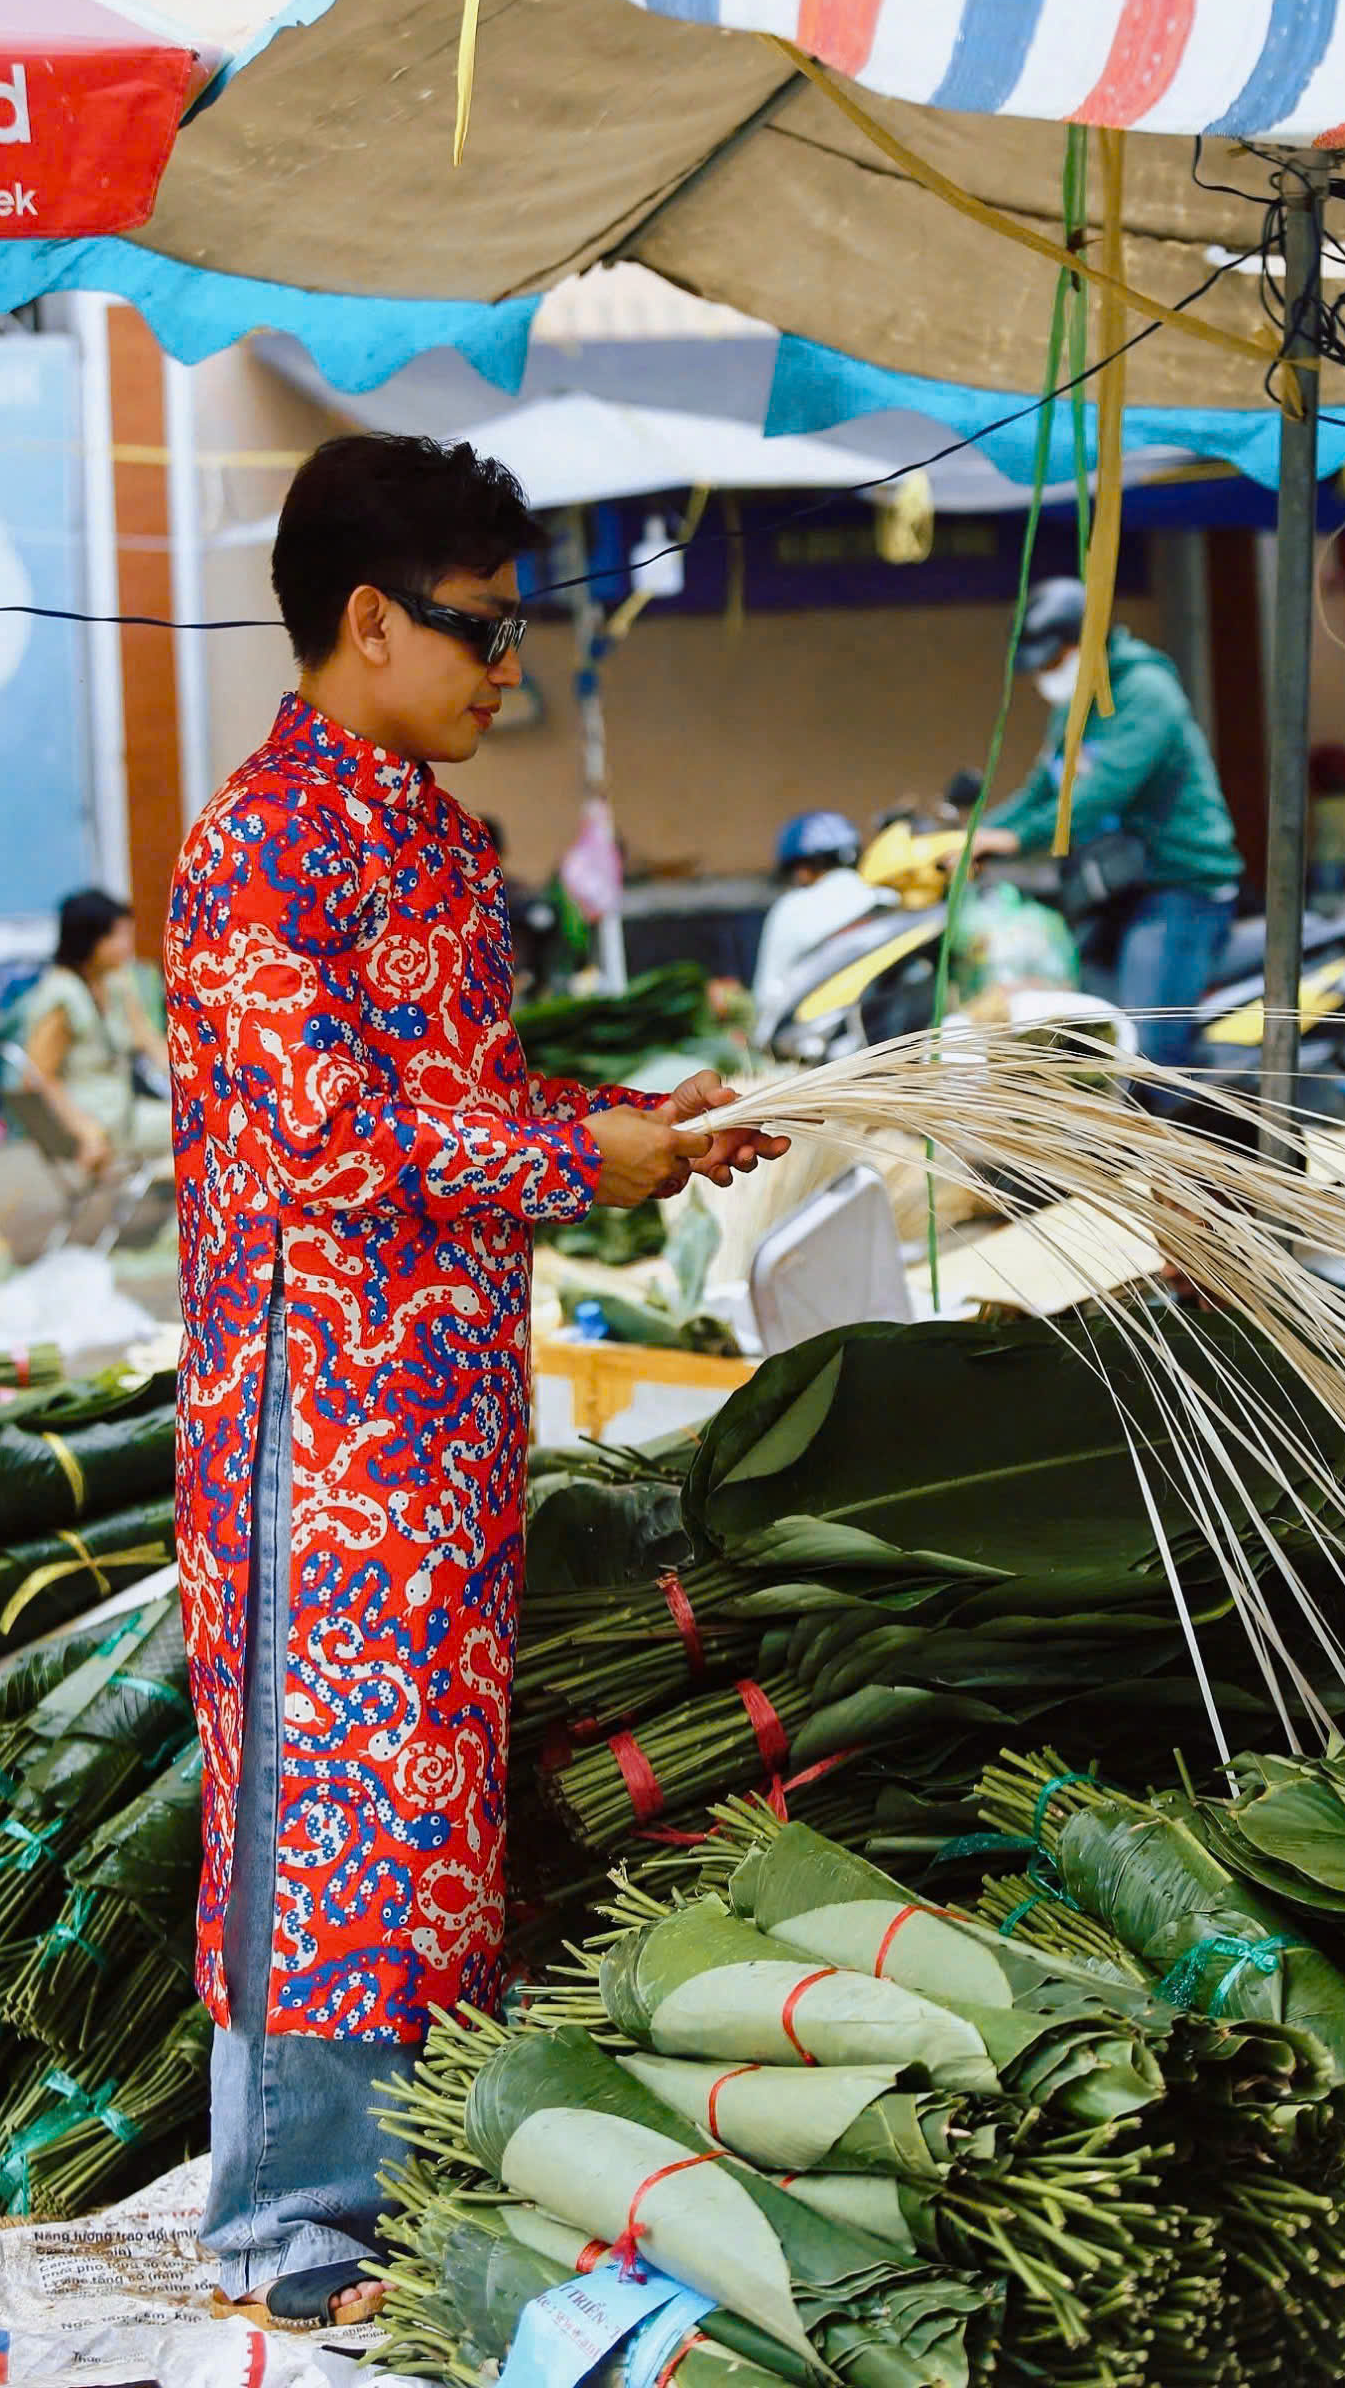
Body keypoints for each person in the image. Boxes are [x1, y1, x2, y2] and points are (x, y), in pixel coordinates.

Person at [164, 434, 783, 2331]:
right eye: (484, 632)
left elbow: (475, 1113)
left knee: (423, 1806)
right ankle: (287, 2229)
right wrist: (564, 1158)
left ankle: (402, 2183)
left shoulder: (432, 839)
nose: (510, 671)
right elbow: (337, 1140)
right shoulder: (251, 849)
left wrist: (631, 1129)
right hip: (316, 1427)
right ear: (369, 622)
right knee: (321, 1814)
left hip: (441, 1410)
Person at [978, 579, 1241, 1066]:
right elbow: (1041, 791)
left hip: (1179, 888)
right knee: (1088, 1040)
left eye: (1053, 660)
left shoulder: (1147, 692)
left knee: (1146, 1054)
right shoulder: (1074, 706)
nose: (1045, 675)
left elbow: (1098, 795)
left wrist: (1014, 838)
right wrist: (974, 837)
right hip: (1114, 891)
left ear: (1088, 641)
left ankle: (1187, 1135)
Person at [17, 888, 172, 1172]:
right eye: (117, 936)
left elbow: (147, 1039)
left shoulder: (114, 982)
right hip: (99, 1122)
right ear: (89, 940)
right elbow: (37, 1078)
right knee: (204, 1132)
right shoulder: (63, 998)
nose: (127, 945)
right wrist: (86, 1131)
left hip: (124, 1109)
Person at [752, 811, 892, 1021]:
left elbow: (767, 993)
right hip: (888, 1025)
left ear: (802, 869)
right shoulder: (886, 898)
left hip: (817, 1035)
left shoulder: (791, 907)